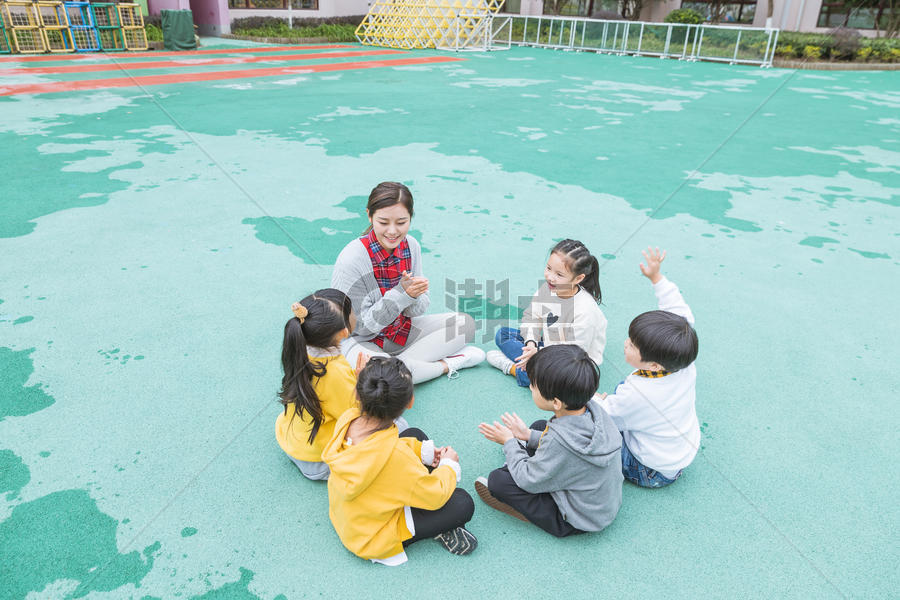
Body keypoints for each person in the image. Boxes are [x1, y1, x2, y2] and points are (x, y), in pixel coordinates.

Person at [323, 357, 477, 564]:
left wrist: (425, 452)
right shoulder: (397, 459)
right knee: (462, 503)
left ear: (358, 394)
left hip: (351, 516)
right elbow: (435, 496)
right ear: (410, 401)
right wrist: (449, 465)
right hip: (375, 536)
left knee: (414, 435)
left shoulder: (348, 418)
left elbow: (382, 446)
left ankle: (435, 519)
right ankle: (440, 528)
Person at [331, 182, 484, 384]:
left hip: (400, 331)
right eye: (383, 222)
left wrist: (413, 296)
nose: (393, 231)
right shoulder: (352, 259)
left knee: (464, 324)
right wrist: (401, 295)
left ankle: (399, 370)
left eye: (401, 222)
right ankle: (444, 365)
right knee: (382, 377)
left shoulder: (411, 246)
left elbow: (416, 310)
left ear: (410, 217)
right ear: (369, 216)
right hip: (360, 340)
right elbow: (360, 328)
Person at [476, 344, 623, 537]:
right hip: (600, 502)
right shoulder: (596, 409)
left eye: (534, 385)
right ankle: (520, 457)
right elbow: (564, 446)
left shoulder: (558, 442)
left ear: (556, 402)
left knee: (499, 481)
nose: (530, 386)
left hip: (579, 519)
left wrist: (509, 442)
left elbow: (528, 480)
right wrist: (528, 436)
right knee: (539, 427)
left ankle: (525, 500)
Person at [597, 247, 699, 488]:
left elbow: (606, 415)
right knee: (622, 391)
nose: (625, 344)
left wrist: (597, 400)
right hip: (675, 456)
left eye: (632, 345)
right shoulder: (682, 358)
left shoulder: (640, 394)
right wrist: (657, 278)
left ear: (654, 364)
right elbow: (678, 312)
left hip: (648, 469)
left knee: (592, 435)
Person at [276, 289, 381, 481]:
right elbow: (358, 415)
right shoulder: (334, 373)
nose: (354, 315)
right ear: (344, 332)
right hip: (317, 461)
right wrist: (363, 381)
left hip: (292, 439)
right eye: (352, 312)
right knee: (394, 426)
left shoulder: (300, 350)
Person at [487, 239, 607, 387]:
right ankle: (531, 369)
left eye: (559, 274)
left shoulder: (585, 310)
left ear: (578, 278)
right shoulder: (548, 289)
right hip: (548, 346)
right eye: (548, 268)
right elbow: (532, 317)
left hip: (573, 361)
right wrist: (531, 343)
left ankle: (517, 370)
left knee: (564, 383)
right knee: (503, 334)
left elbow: (573, 353)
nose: (550, 277)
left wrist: (538, 353)